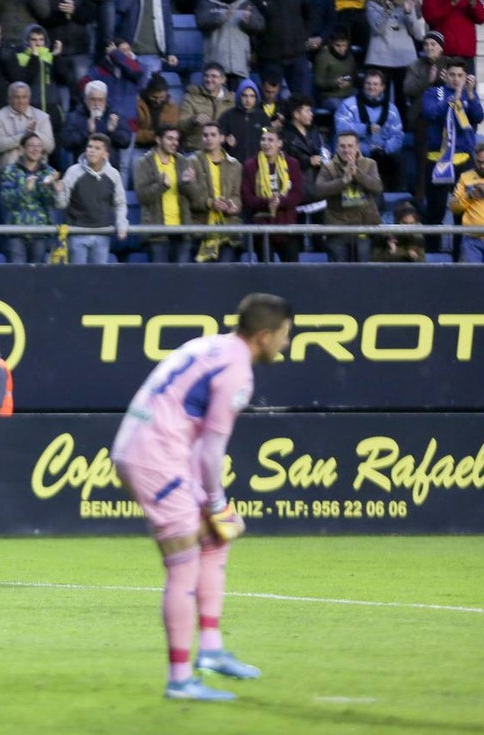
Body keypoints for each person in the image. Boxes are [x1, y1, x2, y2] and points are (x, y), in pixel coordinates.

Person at [112, 292, 293, 701]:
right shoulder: (237, 371)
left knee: (214, 540)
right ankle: (180, 680)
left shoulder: (209, 345)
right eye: (284, 335)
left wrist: (215, 510)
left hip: (151, 449)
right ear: (264, 335)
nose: (286, 343)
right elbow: (212, 450)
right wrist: (216, 503)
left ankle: (210, 651)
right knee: (183, 564)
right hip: (155, 457)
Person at [420, 57, 482, 250]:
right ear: (445, 75)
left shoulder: (469, 95)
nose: (456, 79)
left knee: (462, 210)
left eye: (460, 75)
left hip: (463, 161)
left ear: (466, 77)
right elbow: (428, 113)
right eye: (453, 75)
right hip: (438, 160)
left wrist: (470, 95)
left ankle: (459, 256)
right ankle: (431, 254)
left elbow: (478, 116)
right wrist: (449, 102)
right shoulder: (434, 92)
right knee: (435, 210)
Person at [55, 132, 127, 263]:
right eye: (90, 147)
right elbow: (61, 205)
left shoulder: (113, 174)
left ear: (106, 154)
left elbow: (120, 203)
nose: (92, 151)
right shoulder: (73, 171)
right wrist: (59, 192)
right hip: (77, 234)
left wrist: (121, 224)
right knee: (77, 279)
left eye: (97, 148)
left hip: (102, 234)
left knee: (98, 279)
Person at [134, 124, 200, 263]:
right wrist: (161, 186)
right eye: (170, 139)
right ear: (158, 140)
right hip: (157, 233)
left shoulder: (183, 161)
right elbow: (142, 196)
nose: (174, 143)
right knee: (160, 280)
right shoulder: (144, 163)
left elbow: (195, 198)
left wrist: (189, 183)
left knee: (181, 280)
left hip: (182, 231)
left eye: (176, 139)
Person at [315, 130, 383, 261]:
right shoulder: (328, 167)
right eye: (342, 146)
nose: (346, 150)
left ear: (358, 147)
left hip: (364, 226)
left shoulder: (369, 164)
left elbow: (377, 187)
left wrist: (357, 173)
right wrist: (343, 181)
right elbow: (319, 190)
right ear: (336, 147)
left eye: (350, 146)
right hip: (337, 228)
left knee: (364, 273)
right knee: (339, 274)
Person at [334, 68, 404, 191]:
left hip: (383, 153)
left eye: (375, 84)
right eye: (368, 83)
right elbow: (340, 127)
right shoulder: (349, 104)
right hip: (357, 152)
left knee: (397, 161)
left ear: (382, 87)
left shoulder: (392, 110)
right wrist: (365, 129)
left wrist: (385, 149)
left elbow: (398, 135)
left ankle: (391, 195)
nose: (371, 87)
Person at [241, 126, 303, 261]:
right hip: (262, 227)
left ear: (280, 143)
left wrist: (280, 201)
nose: (266, 143)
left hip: (287, 227)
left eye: (270, 140)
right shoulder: (250, 165)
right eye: (263, 139)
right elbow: (247, 198)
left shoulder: (292, 164)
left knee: (292, 273)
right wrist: (268, 202)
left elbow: (297, 195)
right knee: (265, 273)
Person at [0, 131, 62, 263]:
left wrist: (52, 188)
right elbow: (6, 200)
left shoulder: (49, 172)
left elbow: (51, 203)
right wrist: (24, 190)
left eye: (39, 146)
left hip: (39, 231)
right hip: (16, 231)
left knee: (37, 276)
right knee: (17, 275)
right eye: (31, 145)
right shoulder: (10, 171)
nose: (36, 149)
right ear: (22, 149)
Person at [190, 122, 244, 262]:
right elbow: (189, 197)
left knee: (225, 273)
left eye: (213, 135)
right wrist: (210, 203)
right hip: (200, 228)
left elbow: (236, 195)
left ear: (222, 138)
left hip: (228, 229)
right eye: (205, 135)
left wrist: (233, 205)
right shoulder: (192, 162)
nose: (209, 138)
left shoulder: (235, 165)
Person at [365, 0, 425, 120]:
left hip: (404, 57)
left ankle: (403, 131)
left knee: (402, 98)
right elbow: (377, 29)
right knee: (380, 97)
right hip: (380, 57)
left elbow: (418, 34)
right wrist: (386, 12)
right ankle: (378, 127)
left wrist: (409, 13)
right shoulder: (372, 4)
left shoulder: (407, 3)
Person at [404, 31, 445, 201]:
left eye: (433, 45)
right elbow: (407, 89)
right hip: (422, 118)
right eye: (426, 44)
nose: (429, 48)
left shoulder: (450, 65)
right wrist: (428, 81)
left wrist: (445, 81)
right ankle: (420, 196)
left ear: (441, 48)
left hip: (444, 118)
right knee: (422, 161)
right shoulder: (415, 65)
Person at [254, 0, 319, 99]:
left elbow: (311, 16)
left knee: (303, 99)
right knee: (269, 100)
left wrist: (303, 37)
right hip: (269, 57)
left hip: (297, 55)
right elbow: (253, 22)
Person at [60, 80, 131, 167]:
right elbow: (66, 143)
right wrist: (87, 131)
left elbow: (126, 142)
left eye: (100, 100)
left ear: (105, 100)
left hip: (109, 171)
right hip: (83, 170)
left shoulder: (114, 114)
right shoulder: (74, 116)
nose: (97, 104)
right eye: (93, 99)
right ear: (86, 100)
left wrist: (112, 132)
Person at [195, 0, 265, 89]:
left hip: (239, 66)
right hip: (215, 67)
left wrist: (248, 21)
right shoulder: (207, 3)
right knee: (216, 101)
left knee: (238, 101)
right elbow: (201, 21)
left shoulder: (246, 3)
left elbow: (260, 25)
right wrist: (220, 17)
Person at [0, 81, 55, 172]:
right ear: (9, 99)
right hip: (8, 173)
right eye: (16, 97)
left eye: (24, 97)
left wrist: (34, 133)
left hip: (38, 173)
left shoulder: (42, 117)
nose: (21, 101)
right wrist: (23, 135)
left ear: (29, 98)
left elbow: (50, 147)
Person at [178, 63, 236, 154]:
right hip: (195, 150)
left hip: (222, 151)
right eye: (206, 76)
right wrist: (193, 120)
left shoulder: (231, 101)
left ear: (223, 80)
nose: (209, 79)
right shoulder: (191, 97)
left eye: (214, 76)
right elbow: (180, 125)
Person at [421, 0, 484, 70]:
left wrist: (473, 3)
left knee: (468, 80)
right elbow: (430, 17)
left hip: (466, 53)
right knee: (442, 80)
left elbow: (481, 18)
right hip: (443, 53)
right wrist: (451, 3)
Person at [449, 143, 484, 262]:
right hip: (472, 239)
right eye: (479, 162)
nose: (482, 166)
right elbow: (454, 207)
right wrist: (469, 196)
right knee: (473, 277)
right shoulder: (465, 177)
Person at [218, 78, 266, 164]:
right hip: (233, 165)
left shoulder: (262, 116)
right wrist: (226, 142)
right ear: (239, 96)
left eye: (252, 96)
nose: (248, 100)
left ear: (256, 98)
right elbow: (218, 140)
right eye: (244, 95)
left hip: (257, 165)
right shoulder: (227, 115)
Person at [312, 28, 357, 112]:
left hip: (348, 93)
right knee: (343, 110)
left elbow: (353, 75)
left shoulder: (350, 56)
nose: (341, 49)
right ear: (331, 44)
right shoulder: (323, 57)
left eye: (344, 45)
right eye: (338, 45)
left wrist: (348, 81)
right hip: (329, 96)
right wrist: (335, 83)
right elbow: (318, 82)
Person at [133, 73, 180, 149]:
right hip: (139, 147)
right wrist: (154, 135)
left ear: (166, 94)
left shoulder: (172, 109)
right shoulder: (137, 106)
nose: (158, 101)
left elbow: (172, 134)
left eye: (161, 97)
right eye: (154, 97)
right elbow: (133, 134)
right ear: (148, 93)